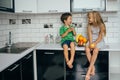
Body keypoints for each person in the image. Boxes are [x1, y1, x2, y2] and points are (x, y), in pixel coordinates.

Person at [85, 11, 106, 80]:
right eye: (88, 18)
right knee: (87, 48)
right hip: (92, 41)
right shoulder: (89, 26)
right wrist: (91, 44)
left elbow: (100, 37)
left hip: (99, 41)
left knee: (96, 50)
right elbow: (90, 36)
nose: (88, 19)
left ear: (95, 18)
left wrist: (95, 44)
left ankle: (88, 71)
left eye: (90, 18)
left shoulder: (101, 25)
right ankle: (93, 67)